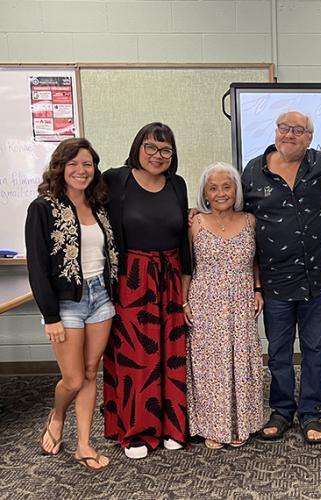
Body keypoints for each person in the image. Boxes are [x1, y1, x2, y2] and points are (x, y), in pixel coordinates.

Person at [241, 111, 321, 445]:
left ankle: (310, 412)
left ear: (310, 137)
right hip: (275, 282)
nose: (289, 135)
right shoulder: (252, 171)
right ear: (276, 131)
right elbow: (238, 220)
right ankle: (281, 411)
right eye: (284, 128)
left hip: (318, 280)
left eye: (298, 130)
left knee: (315, 350)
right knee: (279, 352)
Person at [25, 138, 118, 471]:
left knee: (92, 373)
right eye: (74, 164)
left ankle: (83, 445)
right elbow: (37, 265)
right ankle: (58, 414)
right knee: (74, 379)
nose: (81, 171)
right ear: (60, 167)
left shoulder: (99, 205)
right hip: (66, 304)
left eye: (88, 164)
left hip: (101, 299)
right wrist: (50, 315)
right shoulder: (43, 207)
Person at [102, 122, 192, 459]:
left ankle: (171, 425)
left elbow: (183, 241)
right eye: (151, 147)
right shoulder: (115, 180)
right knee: (136, 357)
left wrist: (184, 292)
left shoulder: (177, 184)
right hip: (132, 280)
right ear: (138, 147)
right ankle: (136, 431)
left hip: (169, 278)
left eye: (165, 149)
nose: (158, 155)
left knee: (171, 353)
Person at [181, 162, 264, 449]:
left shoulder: (251, 220)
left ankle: (242, 423)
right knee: (209, 367)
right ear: (204, 192)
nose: (220, 193)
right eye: (213, 188)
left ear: (236, 190)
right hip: (205, 301)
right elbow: (186, 267)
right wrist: (183, 301)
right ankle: (211, 426)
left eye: (226, 186)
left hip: (241, 299)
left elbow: (256, 260)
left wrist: (257, 288)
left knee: (241, 361)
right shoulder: (195, 223)